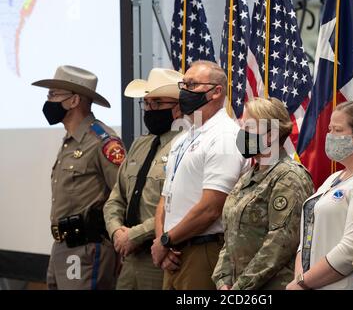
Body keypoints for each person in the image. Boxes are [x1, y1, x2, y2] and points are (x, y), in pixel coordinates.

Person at [151, 60, 248, 290]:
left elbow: (210, 208)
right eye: (183, 84)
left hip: (202, 251)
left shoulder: (226, 136)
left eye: (192, 85)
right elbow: (166, 199)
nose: (184, 91)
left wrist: (166, 240)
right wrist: (161, 242)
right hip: (173, 252)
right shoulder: (184, 137)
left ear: (216, 92)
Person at [32, 65, 125, 289]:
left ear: (74, 101)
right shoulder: (70, 140)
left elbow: (123, 194)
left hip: (87, 249)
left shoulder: (102, 141)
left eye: (53, 95)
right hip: (62, 246)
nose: (49, 101)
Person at [212, 97, 314, 290]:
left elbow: (279, 244)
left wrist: (240, 287)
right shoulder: (248, 176)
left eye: (248, 128)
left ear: (270, 136)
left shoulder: (289, 177)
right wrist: (223, 280)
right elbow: (231, 235)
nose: (241, 134)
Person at [103, 68, 183, 289]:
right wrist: (117, 232)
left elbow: (180, 206)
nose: (149, 109)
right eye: (146, 103)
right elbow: (116, 198)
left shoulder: (186, 145)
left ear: (177, 109)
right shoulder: (140, 144)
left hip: (161, 255)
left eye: (157, 103)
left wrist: (136, 235)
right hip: (129, 258)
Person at [286, 101, 353, 290]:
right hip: (310, 283)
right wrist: (300, 278)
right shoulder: (334, 177)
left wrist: (303, 283)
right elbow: (308, 232)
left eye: (337, 130)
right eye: (329, 129)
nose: (329, 136)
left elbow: (350, 248)